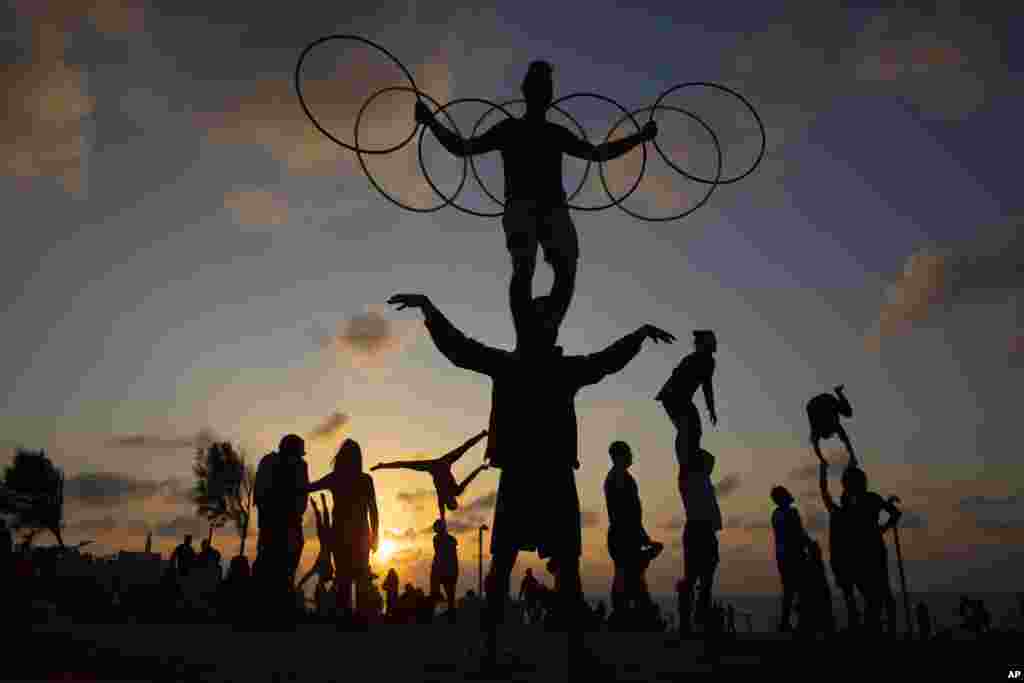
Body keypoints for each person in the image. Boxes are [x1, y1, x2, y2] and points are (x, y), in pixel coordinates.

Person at [388, 291, 674, 670]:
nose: (547, 325)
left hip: (546, 477)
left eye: (549, 319)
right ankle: (500, 650)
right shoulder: (519, 366)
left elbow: (605, 361)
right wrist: (429, 309)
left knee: (554, 565)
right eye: (542, 318)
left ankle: (567, 651)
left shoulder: (544, 368)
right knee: (507, 564)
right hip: (529, 477)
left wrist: (636, 337)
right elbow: (459, 348)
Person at [415, 60, 658, 342]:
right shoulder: (514, 129)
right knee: (527, 267)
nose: (542, 90)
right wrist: (430, 120)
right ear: (528, 91)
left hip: (550, 208)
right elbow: (462, 148)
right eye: (538, 84)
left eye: (545, 85)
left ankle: (544, 328)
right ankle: (528, 333)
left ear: (548, 94)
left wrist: (639, 137)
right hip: (525, 207)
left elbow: (597, 154)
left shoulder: (551, 133)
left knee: (561, 269)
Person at [820, 462, 900, 634]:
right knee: (877, 593)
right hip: (866, 554)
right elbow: (895, 514)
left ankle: (878, 628)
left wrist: (882, 528)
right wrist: (882, 528)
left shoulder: (856, 502)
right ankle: (878, 627)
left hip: (868, 554)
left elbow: (826, 498)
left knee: (877, 593)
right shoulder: (866, 500)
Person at [307, 439, 379, 622]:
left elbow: (309, 487)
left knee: (344, 579)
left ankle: (346, 619)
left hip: (342, 536)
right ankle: (359, 620)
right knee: (358, 579)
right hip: (358, 536)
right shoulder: (364, 480)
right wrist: (375, 536)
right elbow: (374, 511)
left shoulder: (336, 478)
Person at [371, 431, 490, 521]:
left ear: (448, 503)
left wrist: (443, 519)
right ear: (453, 500)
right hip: (444, 463)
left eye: (450, 502)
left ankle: (382, 465)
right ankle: (483, 434)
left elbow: (441, 511)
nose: (450, 500)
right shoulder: (456, 491)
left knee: (406, 464)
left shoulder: (443, 498)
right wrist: (480, 468)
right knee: (464, 448)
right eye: (452, 501)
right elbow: (469, 478)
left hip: (434, 466)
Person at [254, 434, 310, 621]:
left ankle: (273, 613)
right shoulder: (296, 466)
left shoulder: (269, 462)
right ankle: (276, 613)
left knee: (274, 571)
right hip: (282, 527)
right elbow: (302, 498)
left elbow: (259, 496)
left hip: (277, 526)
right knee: (279, 572)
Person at [604, 441, 659, 627]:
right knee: (625, 572)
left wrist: (643, 537)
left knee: (632, 573)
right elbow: (626, 512)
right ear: (618, 456)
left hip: (628, 533)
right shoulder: (618, 478)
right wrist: (641, 536)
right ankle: (623, 614)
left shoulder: (621, 477)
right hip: (623, 533)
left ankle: (631, 613)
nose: (631, 456)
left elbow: (633, 513)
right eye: (627, 453)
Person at [656, 331, 719, 484]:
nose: (714, 343)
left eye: (714, 341)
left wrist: (711, 409)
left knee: (695, 429)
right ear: (702, 344)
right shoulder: (692, 359)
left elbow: (707, 386)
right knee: (687, 428)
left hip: (682, 398)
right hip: (673, 396)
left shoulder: (709, 362)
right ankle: (686, 463)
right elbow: (677, 375)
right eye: (710, 341)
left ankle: (692, 459)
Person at [678, 448, 722, 635]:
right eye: (708, 464)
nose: (711, 467)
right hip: (699, 529)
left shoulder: (702, 481)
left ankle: (697, 617)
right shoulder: (692, 480)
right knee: (695, 577)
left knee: (704, 578)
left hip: (704, 531)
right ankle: (690, 619)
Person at [770, 485, 811, 632]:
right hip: (794, 555)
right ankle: (801, 622)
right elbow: (799, 533)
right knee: (801, 590)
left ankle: (785, 622)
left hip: (782, 556)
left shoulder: (775, 515)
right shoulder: (791, 513)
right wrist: (810, 544)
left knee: (788, 590)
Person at [296, 494, 335, 598]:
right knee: (323, 519)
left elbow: (308, 575)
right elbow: (308, 575)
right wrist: (300, 584)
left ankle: (320, 503)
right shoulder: (322, 568)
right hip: (327, 541)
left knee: (322, 518)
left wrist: (299, 584)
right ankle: (320, 503)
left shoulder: (319, 567)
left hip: (325, 541)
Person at [807, 385, 856, 466]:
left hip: (820, 403)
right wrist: (822, 459)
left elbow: (846, 441)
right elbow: (816, 448)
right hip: (816, 403)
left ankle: (838, 392)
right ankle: (838, 392)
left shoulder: (832, 426)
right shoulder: (819, 430)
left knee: (848, 413)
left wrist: (822, 460)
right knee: (848, 413)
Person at [430, 519, 460, 623]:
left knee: (450, 594)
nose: (435, 529)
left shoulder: (448, 540)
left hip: (448, 570)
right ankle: (442, 614)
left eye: (437, 527)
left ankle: (451, 615)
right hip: (441, 569)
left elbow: (451, 556)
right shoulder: (437, 539)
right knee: (438, 593)